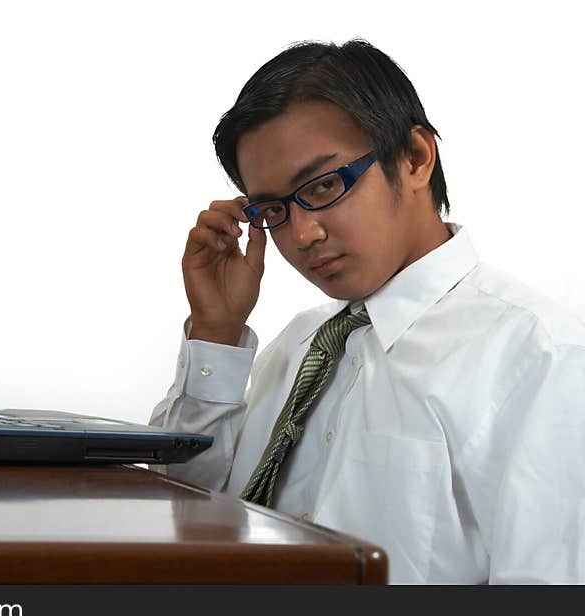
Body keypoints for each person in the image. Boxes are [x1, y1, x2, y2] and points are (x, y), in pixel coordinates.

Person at [149, 38, 585, 584]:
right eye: (274, 210)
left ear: (415, 158)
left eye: (327, 184)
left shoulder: (543, 361)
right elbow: (181, 519)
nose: (304, 234)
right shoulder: (297, 346)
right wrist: (217, 332)